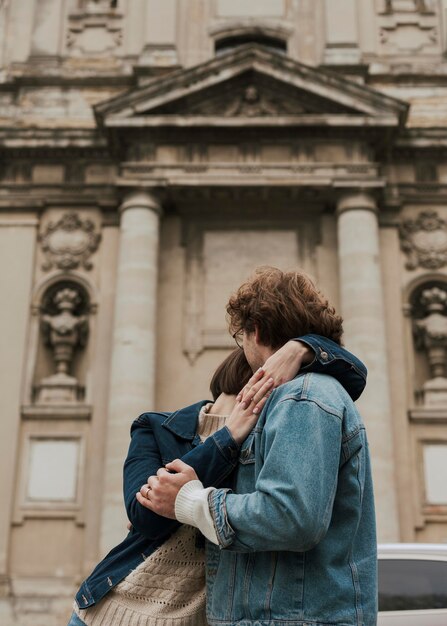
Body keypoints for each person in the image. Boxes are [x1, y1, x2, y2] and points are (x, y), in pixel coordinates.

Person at [68, 327, 367, 624]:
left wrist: (301, 349)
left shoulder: (269, 439)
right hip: (111, 613)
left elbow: (355, 375)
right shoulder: (155, 428)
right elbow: (146, 517)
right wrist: (228, 437)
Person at [141, 267, 377, 626]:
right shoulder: (304, 394)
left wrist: (189, 501)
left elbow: (291, 517)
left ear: (256, 330)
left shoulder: (302, 396)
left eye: (241, 338)